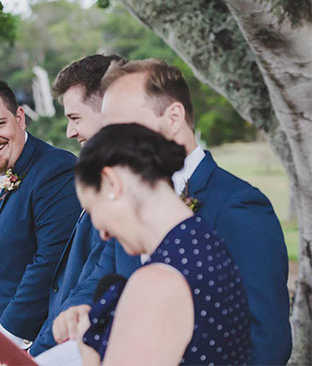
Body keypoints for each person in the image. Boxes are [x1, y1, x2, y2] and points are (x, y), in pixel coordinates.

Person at [60, 58, 290, 364]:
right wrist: (81, 309)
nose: (109, 140)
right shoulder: (133, 207)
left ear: (173, 117)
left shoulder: (239, 206)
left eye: (121, 127)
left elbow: (267, 340)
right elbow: (104, 275)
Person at [54, 123, 251, 365]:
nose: (103, 233)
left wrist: (89, 349)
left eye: (93, 209)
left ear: (112, 183)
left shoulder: (157, 282)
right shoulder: (207, 242)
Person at [0, 79, 81, 366]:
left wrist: (3, 339)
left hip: (33, 348)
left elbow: (48, 262)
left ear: (20, 118)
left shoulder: (57, 171)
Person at [29, 54, 124, 355]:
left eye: (75, 118)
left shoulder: (125, 193)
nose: (70, 132)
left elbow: (99, 277)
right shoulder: (100, 179)